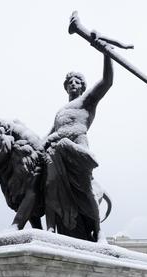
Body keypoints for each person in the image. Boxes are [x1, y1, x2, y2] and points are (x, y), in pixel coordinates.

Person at [42, 43, 114, 241]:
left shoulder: (87, 102)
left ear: (83, 86)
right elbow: (48, 135)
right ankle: (49, 229)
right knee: (50, 185)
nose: (73, 84)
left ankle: (98, 230)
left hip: (76, 148)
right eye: (70, 82)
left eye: (77, 81)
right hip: (56, 152)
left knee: (85, 188)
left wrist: (106, 54)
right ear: (66, 87)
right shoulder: (61, 112)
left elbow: (107, 81)